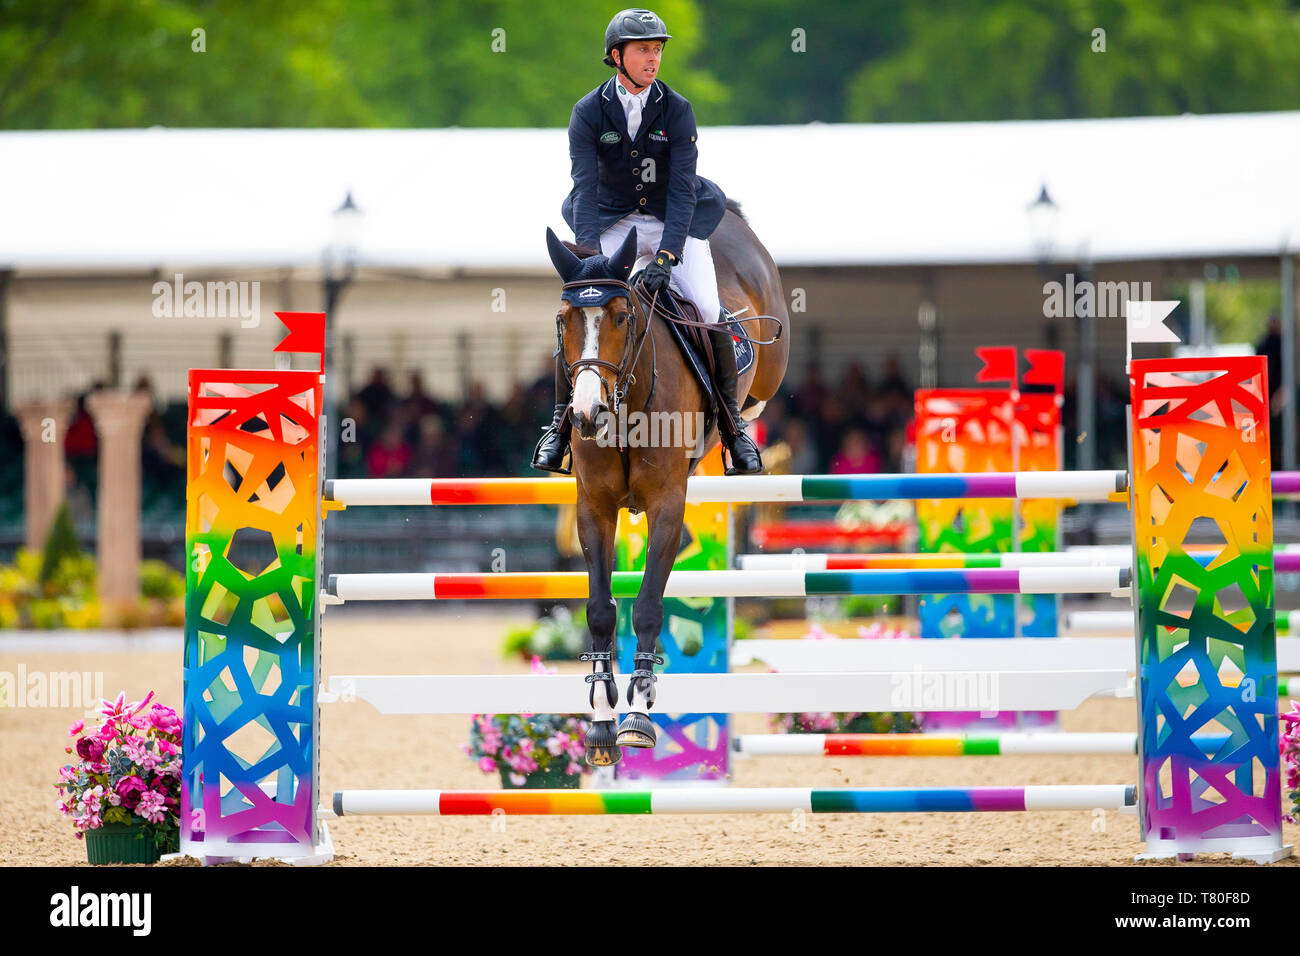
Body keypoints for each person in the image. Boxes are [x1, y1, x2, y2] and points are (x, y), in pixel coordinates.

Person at [532, 7, 762, 476]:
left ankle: (734, 430)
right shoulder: (587, 113)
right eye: (643, 50)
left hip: (672, 220)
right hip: (612, 222)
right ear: (617, 56)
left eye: (657, 50)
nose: (653, 58)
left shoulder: (677, 110)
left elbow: (681, 192)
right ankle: (559, 427)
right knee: (584, 310)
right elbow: (585, 189)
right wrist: (593, 261)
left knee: (710, 309)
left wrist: (666, 255)